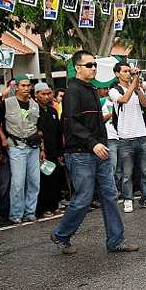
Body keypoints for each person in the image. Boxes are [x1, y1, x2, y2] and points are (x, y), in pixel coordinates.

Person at [51, 50, 139, 254]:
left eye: (95, 65)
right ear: (77, 68)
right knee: (83, 198)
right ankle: (61, 234)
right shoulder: (72, 90)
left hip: (100, 151)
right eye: (89, 65)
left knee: (110, 195)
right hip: (81, 153)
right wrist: (93, 144)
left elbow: (95, 121)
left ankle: (116, 240)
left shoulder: (91, 89)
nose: (94, 68)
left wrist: (102, 141)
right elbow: (73, 122)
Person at [109, 63, 146, 213]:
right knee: (127, 173)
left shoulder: (136, 88)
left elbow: (145, 104)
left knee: (145, 171)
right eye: (125, 71)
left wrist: (137, 87)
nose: (128, 74)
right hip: (125, 138)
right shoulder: (113, 90)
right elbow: (124, 99)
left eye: (129, 71)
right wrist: (134, 83)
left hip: (142, 135)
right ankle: (128, 199)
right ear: (117, 74)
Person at [0, 74, 42, 224]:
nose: (26, 88)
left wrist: (42, 147)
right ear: (16, 87)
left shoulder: (35, 104)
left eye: (28, 86)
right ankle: (16, 214)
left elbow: (38, 127)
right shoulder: (7, 103)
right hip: (16, 146)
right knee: (18, 182)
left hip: (33, 147)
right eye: (23, 85)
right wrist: (3, 138)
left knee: (34, 181)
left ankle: (30, 211)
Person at [34, 83, 63, 218]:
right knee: (44, 180)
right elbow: (37, 132)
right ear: (36, 95)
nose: (47, 96)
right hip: (42, 152)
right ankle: (43, 208)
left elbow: (58, 132)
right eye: (43, 94)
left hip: (54, 151)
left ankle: (54, 205)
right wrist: (42, 148)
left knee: (55, 178)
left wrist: (60, 152)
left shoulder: (52, 111)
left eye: (48, 93)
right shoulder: (34, 111)